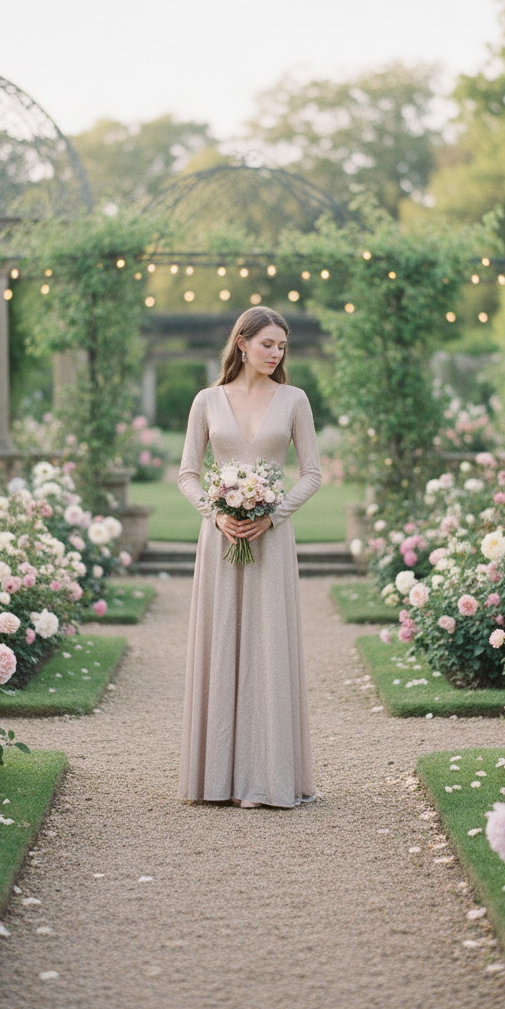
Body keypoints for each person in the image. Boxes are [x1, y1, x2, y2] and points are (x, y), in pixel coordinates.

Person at [177, 306, 322, 809]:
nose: (276, 353)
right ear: (242, 343)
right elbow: (188, 473)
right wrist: (215, 514)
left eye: (282, 346)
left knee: (268, 647)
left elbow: (312, 472)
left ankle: (267, 779)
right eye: (267, 344)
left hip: (271, 540)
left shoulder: (295, 399)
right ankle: (216, 780)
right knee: (220, 643)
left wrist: (273, 515)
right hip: (220, 540)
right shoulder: (207, 400)